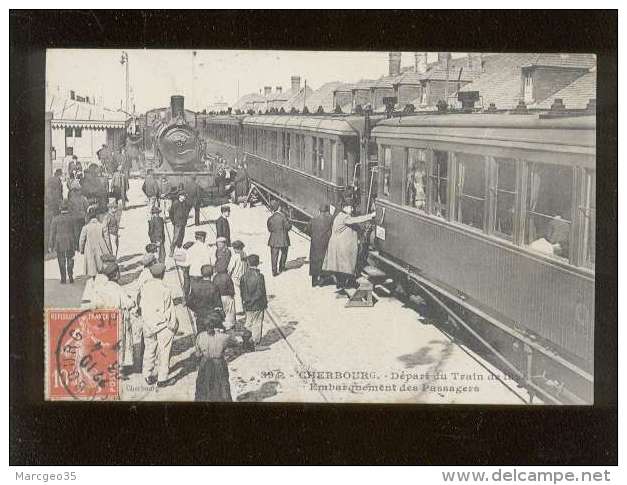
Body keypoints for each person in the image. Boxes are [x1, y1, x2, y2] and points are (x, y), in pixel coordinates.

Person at [89, 262, 136, 373]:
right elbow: (128, 303)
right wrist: (132, 301)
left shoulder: (100, 287)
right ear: (115, 274)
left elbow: (94, 305)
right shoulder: (117, 288)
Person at [138, 262, 179, 387]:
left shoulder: (145, 287)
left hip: (148, 324)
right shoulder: (165, 290)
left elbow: (140, 304)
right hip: (162, 325)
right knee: (164, 352)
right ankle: (162, 378)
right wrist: (174, 325)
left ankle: (147, 374)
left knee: (149, 350)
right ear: (163, 274)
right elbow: (169, 311)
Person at [322, 201, 376, 290]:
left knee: (340, 266)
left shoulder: (340, 215)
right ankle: (345, 284)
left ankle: (341, 283)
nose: (352, 209)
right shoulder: (345, 217)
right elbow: (356, 220)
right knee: (344, 266)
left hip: (337, 245)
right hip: (341, 246)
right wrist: (371, 215)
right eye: (350, 207)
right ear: (345, 207)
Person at [194, 318, 241, 401]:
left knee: (203, 386)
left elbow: (197, 354)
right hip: (219, 363)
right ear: (216, 326)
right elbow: (236, 343)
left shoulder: (200, 336)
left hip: (205, 363)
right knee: (222, 386)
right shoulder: (223, 337)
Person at [239, 254, 267, 349]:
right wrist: (254, 301)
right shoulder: (260, 276)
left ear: (248, 263)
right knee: (257, 323)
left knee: (248, 322)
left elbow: (242, 292)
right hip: (257, 304)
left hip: (247, 303)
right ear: (258, 263)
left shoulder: (243, 276)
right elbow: (260, 292)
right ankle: (255, 343)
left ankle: (246, 341)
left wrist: (246, 301)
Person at [187, 264, 224, 334]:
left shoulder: (195, 286)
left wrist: (196, 309)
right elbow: (218, 304)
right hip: (211, 316)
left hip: (200, 316)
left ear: (201, 273)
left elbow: (189, 302)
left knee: (201, 335)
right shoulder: (214, 287)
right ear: (212, 274)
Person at [48, 200, 76, 284]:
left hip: (59, 242)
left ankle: (63, 278)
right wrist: (76, 243)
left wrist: (50, 245)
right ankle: (70, 276)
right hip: (70, 241)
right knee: (70, 258)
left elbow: (52, 233)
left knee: (61, 259)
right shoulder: (71, 218)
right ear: (67, 208)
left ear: (60, 209)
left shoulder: (55, 219)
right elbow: (75, 231)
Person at [78, 208, 112, 278]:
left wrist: (81, 250)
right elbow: (107, 239)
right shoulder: (101, 226)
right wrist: (109, 250)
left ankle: (94, 281)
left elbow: (81, 240)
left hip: (90, 250)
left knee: (92, 269)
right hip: (101, 250)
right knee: (102, 269)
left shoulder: (85, 228)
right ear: (97, 216)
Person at [308, 204, 334, 287]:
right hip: (325, 243)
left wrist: (313, 236)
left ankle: (314, 281)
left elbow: (308, 230)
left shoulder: (313, 219)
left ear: (319, 211)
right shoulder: (330, 219)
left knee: (314, 260)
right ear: (326, 211)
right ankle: (322, 280)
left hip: (315, 243)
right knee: (323, 260)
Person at [266, 200, 291, 276]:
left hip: (273, 239)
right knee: (284, 253)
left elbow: (269, 229)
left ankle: (274, 271)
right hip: (284, 239)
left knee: (274, 256)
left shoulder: (270, 218)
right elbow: (288, 227)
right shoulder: (283, 217)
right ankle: (282, 267)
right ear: (279, 208)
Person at [213, 261, 236, 330]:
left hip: (219, 297)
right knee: (229, 312)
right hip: (227, 296)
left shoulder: (215, 277)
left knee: (220, 311)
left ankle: (221, 325)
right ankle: (229, 325)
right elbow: (232, 289)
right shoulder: (227, 277)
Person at [228, 240, 248, 316]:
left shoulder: (235, 256)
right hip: (243, 276)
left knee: (237, 293)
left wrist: (228, 275)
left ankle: (239, 309)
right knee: (243, 292)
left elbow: (230, 267)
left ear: (236, 248)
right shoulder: (244, 254)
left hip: (235, 277)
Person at [168, 191, 191, 257]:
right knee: (175, 238)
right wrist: (173, 221)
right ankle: (172, 250)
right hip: (177, 223)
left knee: (181, 237)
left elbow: (187, 211)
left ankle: (179, 250)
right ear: (180, 196)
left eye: (185, 196)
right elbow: (171, 213)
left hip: (183, 223)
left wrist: (185, 220)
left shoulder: (185, 203)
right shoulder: (175, 203)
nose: (185, 197)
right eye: (183, 196)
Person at [67, 179, 89, 247]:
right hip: (82, 217)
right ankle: (81, 245)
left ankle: (77, 245)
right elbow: (87, 207)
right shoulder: (83, 198)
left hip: (75, 218)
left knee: (76, 232)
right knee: (82, 231)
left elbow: (69, 210)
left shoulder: (71, 200)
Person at [45, 169, 64, 247]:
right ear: (59, 174)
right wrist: (60, 201)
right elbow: (60, 192)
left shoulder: (50, 180)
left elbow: (48, 192)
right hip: (55, 203)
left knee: (50, 221)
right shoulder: (58, 180)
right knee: (56, 219)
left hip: (50, 203)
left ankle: (50, 241)